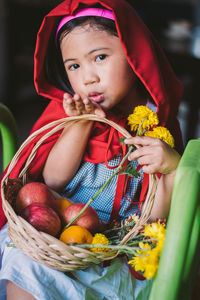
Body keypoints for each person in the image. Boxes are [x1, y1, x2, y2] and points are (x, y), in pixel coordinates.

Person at [0, 0, 184, 299]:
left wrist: (171, 168)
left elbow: (152, 220)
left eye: (100, 57)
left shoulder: (155, 125)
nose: (88, 77)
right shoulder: (69, 111)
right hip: (54, 239)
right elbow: (54, 181)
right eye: (74, 65)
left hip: (111, 251)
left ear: (135, 57)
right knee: (25, 262)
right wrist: (81, 125)